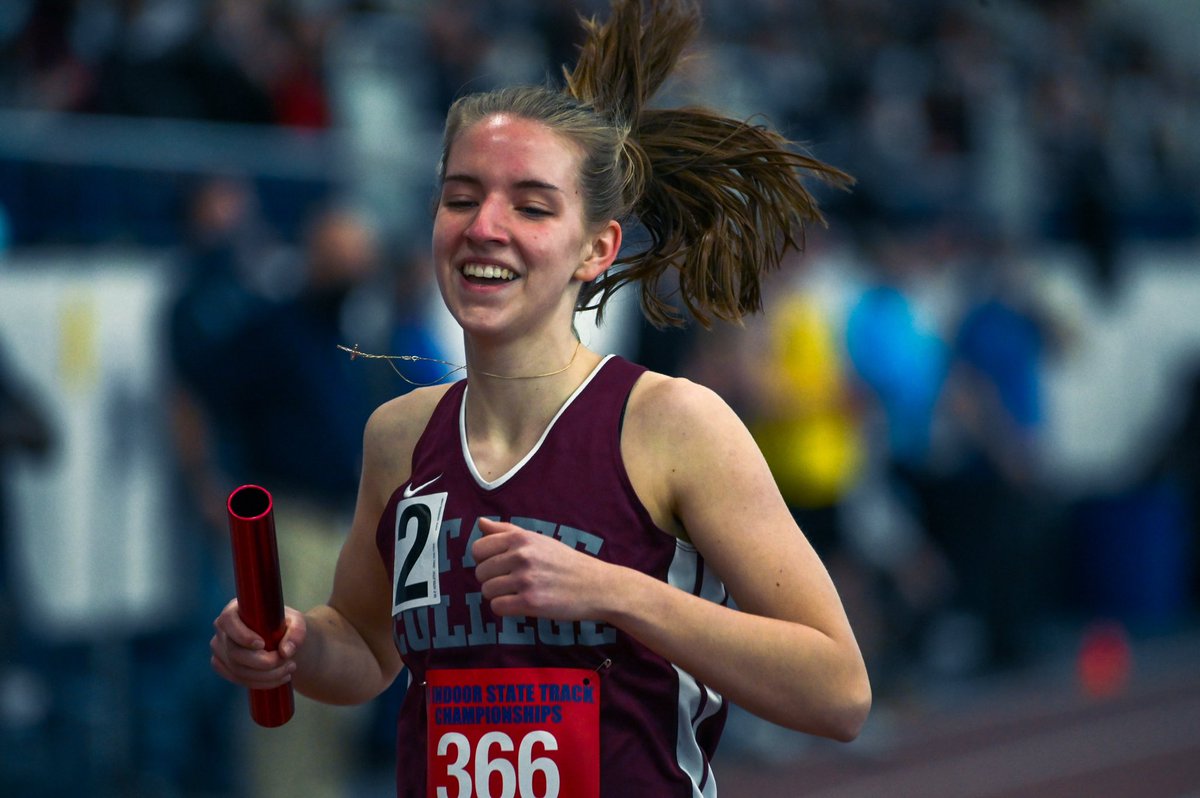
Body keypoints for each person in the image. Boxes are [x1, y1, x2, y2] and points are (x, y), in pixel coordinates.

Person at [211, 2, 871, 795]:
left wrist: (613, 592)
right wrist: (293, 644)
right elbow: (365, 647)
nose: (485, 226)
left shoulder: (672, 425)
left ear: (596, 248)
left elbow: (840, 692)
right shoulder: (400, 434)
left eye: (530, 205)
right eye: (461, 197)